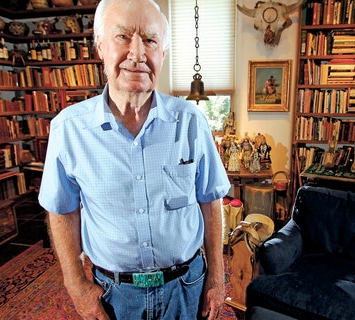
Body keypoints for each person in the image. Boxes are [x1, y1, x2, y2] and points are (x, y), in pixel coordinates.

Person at [37, 1, 232, 319]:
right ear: (100, 46)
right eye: (123, 36)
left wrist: (216, 278)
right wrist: (76, 287)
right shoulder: (69, 129)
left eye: (151, 40)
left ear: (163, 54)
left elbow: (210, 201)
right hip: (116, 295)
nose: (138, 54)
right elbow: (61, 211)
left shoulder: (191, 121)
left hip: (186, 286)